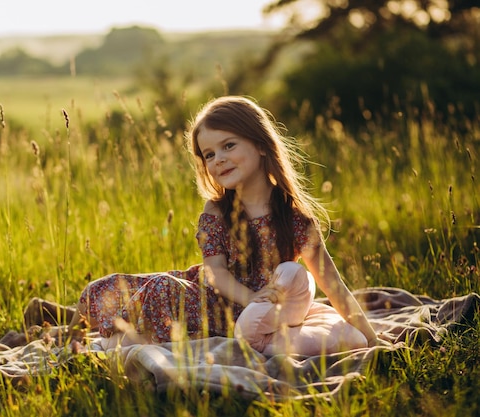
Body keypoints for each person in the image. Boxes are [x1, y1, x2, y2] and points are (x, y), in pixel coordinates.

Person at [67, 95, 379, 355]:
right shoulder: (217, 210)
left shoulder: (293, 216)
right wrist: (249, 298)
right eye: (209, 154)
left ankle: (115, 339)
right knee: (106, 288)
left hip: (257, 317)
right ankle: (66, 332)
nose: (218, 160)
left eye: (228, 146)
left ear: (260, 145)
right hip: (215, 300)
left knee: (159, 290)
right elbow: (215, 274)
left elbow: (333, 284)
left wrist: (373, 339)